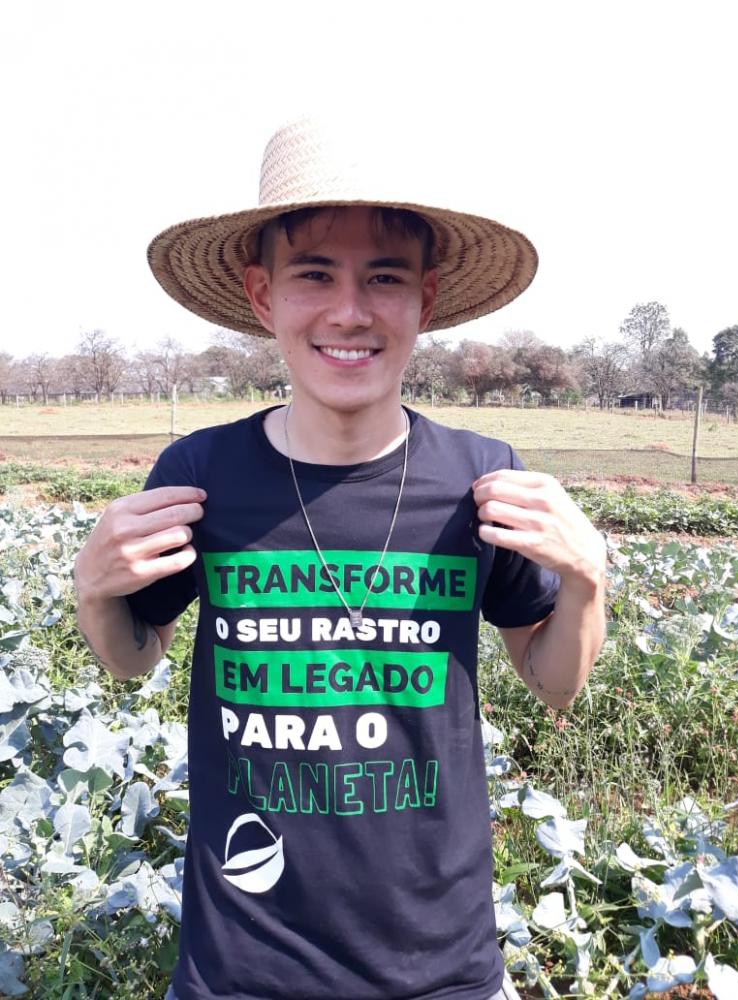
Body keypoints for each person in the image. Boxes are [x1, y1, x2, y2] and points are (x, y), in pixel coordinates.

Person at [74, 118, 607, 1000]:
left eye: (384, 278)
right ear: (261, 295)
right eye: (314, 274)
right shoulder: (202, 475)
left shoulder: (482, 479)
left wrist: (587, 582)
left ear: (425, 301)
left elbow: (553, 683)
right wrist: (96, 598)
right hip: (240, 966)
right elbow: (135, 659)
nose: (350, 311)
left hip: (442, 970)